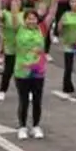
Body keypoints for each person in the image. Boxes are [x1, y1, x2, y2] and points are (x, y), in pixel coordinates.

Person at [12, 8, 48, 140]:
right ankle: (22, 127)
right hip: (22, 71)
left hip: (38, 71)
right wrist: (14, 1)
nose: (31, 20)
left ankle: (36, 126)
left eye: (34, 18)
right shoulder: (19, 29)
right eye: (29, 18)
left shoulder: (41, 29)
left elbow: (52, 12)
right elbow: (14, 15)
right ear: (24, 19)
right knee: (24, 100)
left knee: (37, 101)